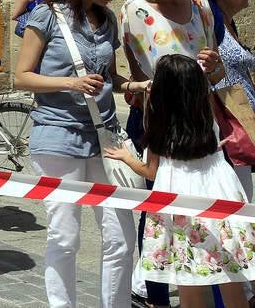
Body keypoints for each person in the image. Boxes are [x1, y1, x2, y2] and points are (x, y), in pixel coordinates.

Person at [14, 0, 147, 308]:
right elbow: (21, 77)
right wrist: (69, 83)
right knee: (65, 236)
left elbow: (109, 77)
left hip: (105, 137)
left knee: (120, 238)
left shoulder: (108, 20)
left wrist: (134, 86)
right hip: (58, 136)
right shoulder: (46, 15)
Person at [121, 0, 223, 308]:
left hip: (202, 122)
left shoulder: (199, 1)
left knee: (210, 208)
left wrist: (215, 66)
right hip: (161, 123)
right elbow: (135, 74)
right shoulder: (134, 11)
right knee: (159, 212)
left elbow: (216, 72)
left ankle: (212, 286)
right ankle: (156, 295)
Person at [106, 54, 255, 308]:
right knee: (231, 274)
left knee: (188, 276)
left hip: (178, 198)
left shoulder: (159, 122)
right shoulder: (207, 109)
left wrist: (127, 158)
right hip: (220, 191)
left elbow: (150, 171)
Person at [196, 0, 255, 199]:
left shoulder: (228, 23)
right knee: (238, 200)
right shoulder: (211, 24)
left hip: (240, 120)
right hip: (226, 124)